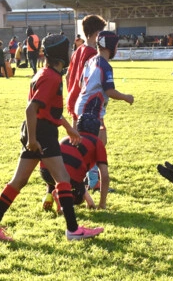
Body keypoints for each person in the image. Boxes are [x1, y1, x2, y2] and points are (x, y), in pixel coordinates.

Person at [0, 34, 104, 242]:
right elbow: (31, 109)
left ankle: (72, 230)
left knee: (18, 181)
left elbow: (50, 111)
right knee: (63, 179)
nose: (70, 53)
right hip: (41, 134)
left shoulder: (44, 73)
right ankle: (73, 230)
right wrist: (32, 139)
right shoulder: (52, 78)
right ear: (60, 55)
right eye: (68, 51)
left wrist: (68, 128)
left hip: (38, 131)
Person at [75, 31, 134, 191]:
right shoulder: (105, 65)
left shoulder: (91, 60)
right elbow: (109, 91)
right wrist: (126, 97)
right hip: (91, 108)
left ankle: (89, 177)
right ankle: (92, 180)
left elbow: (81, 82)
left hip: (85, 104)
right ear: (111, 46)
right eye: (116, 45)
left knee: (100, 141)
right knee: (96, 144)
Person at [40, 113, 110, 213]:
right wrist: (102, 204)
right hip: (69, 174)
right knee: (79, 197)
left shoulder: (66, 138)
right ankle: (60, 198)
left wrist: (90, 203)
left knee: (58, 173)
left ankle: (49, 193)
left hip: (45, 171)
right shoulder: (96, 142)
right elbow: (104, 175)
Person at [66, 14, 107, 128]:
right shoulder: (93, 54)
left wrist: (71, 93)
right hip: (87, 102)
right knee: (97, 139)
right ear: (97, 33)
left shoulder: (78, 50)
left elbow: (67, 76)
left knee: (76, 139)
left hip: (74, 98)